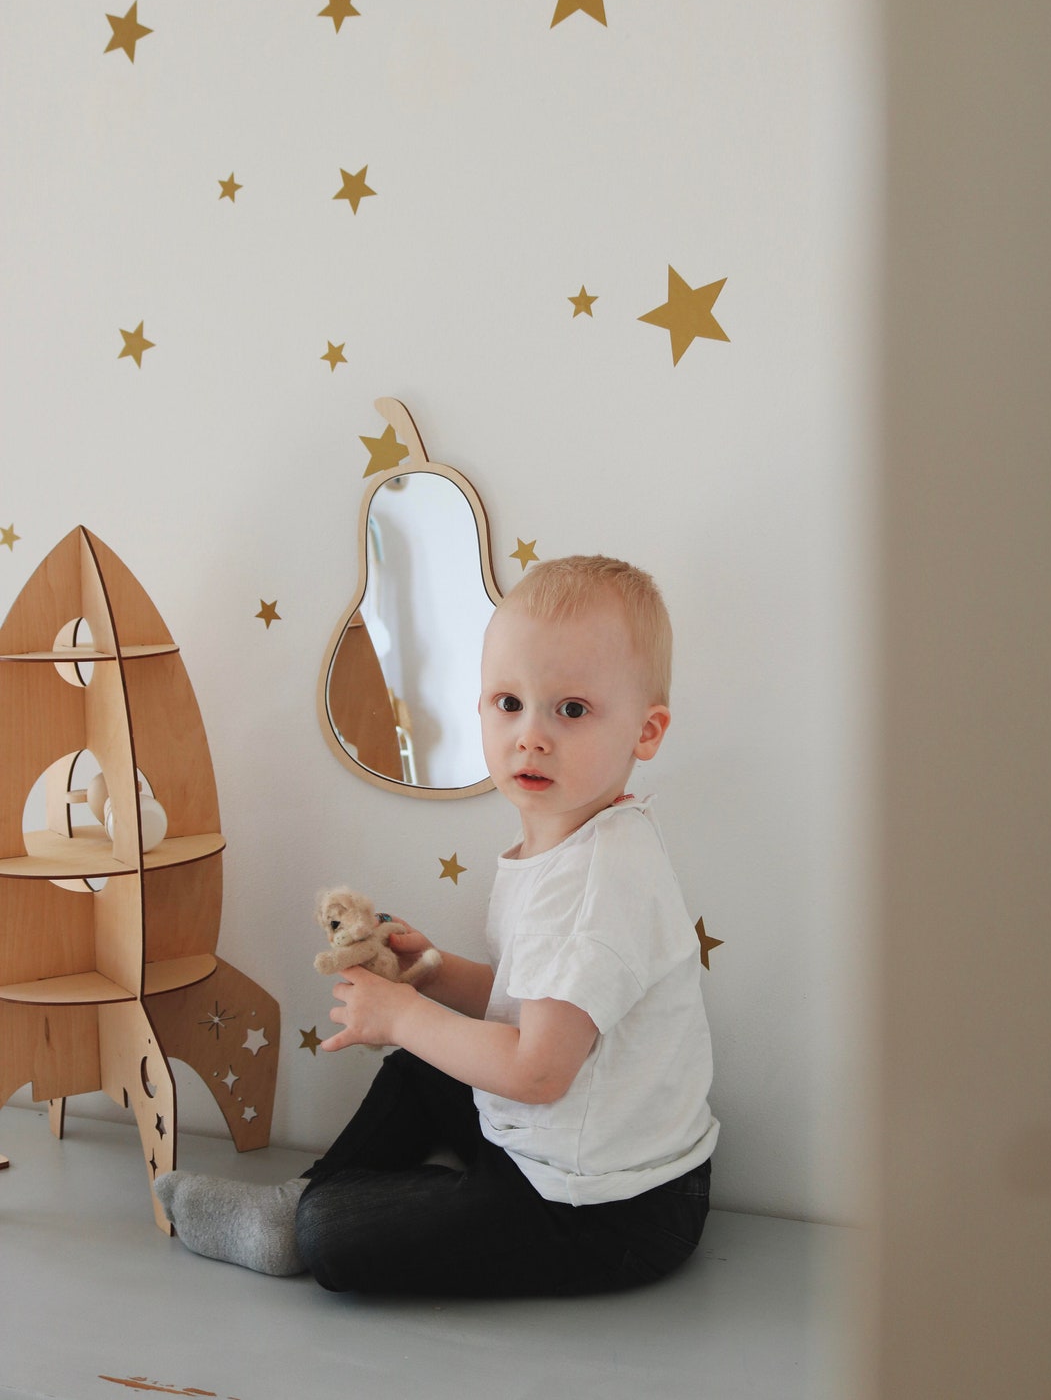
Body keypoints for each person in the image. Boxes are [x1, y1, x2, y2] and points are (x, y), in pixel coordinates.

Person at [156, 555, 718, 1295]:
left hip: (607, 1205)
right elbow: (537, 1002)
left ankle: (309, 1218)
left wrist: (404, 1012)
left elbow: (540, 1069)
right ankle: (296, 1201)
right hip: (559, 1150)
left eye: (571, 709)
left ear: (646, 732)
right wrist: (433, 971)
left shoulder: (597, 881)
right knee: (422, 1068)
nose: (532, 735)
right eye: (509, 702)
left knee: (339, 1236)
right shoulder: (569, 842)